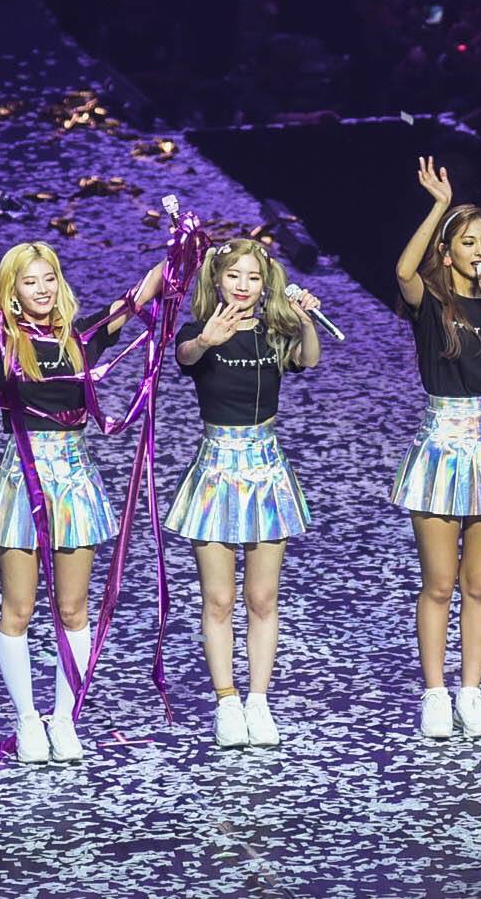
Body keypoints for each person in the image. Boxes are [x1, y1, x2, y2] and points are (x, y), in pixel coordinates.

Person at [0, 241, 161, 763]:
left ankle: (65, 717)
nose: (42, 289)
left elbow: (138, 297)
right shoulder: (2, 341)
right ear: (12, 290)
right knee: (19, 609)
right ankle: (28, 719)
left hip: (73, 485)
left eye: (48, 277)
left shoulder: (80, 338)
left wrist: (180, 252)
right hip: (22, 482)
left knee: (73, 609)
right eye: (29, 281)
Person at [390, 156, 481, 739]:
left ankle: (471, 692)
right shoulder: (432, 301)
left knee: (479, 584)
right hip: (440, 446)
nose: (479, 251)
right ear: (448, 251)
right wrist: (438, 207)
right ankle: (434, 693)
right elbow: (404, 270)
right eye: (467, 242)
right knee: (439, 583)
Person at [165, 238, 323, 747]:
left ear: (264, 283)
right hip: (216, 470)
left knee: (262, 597)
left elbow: (309, 360)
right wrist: (206, 340)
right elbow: (184, 356)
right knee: (218, 598)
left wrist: (306, 321)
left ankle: (258, 700)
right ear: (217, 280)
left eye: (253, 277)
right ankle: (226, 701)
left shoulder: (274, 332)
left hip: (266, 469)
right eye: (234, 276)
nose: (243, 285)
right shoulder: (201, 330)